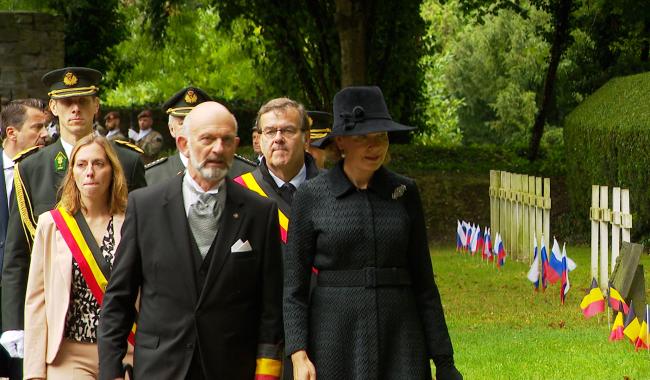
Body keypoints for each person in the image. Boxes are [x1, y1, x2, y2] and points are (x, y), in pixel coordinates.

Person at [284, 86, 462, 380]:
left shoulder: (404, 192)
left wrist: (444, 360)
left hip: (401, 335)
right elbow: (294, 288)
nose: (374, 146)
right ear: (340, 142)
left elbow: (424, 283)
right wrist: (299, 354)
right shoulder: (311, 195)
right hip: (334, 336)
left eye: (381, 137)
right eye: (362, 138)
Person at [98, 101, 283, 380]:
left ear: (237, 145)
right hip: (160, 368)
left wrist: (267, 372)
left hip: (232, 369)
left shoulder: (260, 212)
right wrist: (111, 370)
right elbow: (118, 299)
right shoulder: (145, 206)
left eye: (226, 140)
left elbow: (270, 306)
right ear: (183, 144)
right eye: (207, 139)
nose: (218, 149)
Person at [0, 67, 146, 373]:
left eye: (83, 100)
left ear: (96, 105)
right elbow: (17, 253)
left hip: (121, 325)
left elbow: (145, 242)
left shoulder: (128, 161)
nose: (75, 108)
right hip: (59, 326)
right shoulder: (32, 166)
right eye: (66, 102)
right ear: (53, 108)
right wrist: (14, 324)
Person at [23, 135, 134, 379]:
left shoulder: (134, 222)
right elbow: (36, 301)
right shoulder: (51, 224)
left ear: (112, 170)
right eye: (81, 164)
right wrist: (33, 371)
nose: (90, 172)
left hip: (125, 349)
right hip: (68, 353)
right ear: (71, 171)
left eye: (98, 164)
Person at [0, 98, 49, 379]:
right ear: (12, 133)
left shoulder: (45, 172)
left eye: (46, 126)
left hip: (28, 300)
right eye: (37, 127)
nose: (45, 133)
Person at [234, 98, 320, 245]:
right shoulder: (239, 191)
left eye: (288, 130)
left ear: (306, 139)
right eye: (270, 132)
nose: (278, 138)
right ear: (260, 140)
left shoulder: (333, 187)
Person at [145, 87, 256, 185]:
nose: (190, 129)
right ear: (172, 129)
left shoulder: (246, 173)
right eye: (183, 123)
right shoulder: (152, 176)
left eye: (199, 123)